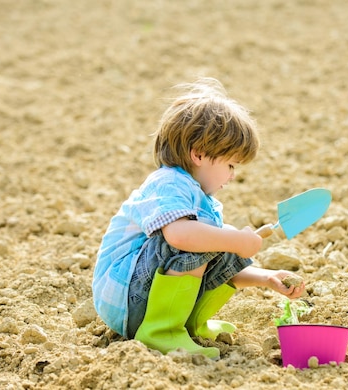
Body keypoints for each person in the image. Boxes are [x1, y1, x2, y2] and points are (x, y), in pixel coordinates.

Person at [92, 78, 305, 360]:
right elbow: (179, 238)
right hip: (126, 300)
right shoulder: (168, 183)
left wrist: (266, 278)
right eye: (230, 164)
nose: (232, 175)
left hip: (143, 297)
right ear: (199, 154)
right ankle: (161, 332)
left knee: (218, 239)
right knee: (206, 238)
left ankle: (186, 326)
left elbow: (210, 258)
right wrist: (236, 239)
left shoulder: (199, 200)